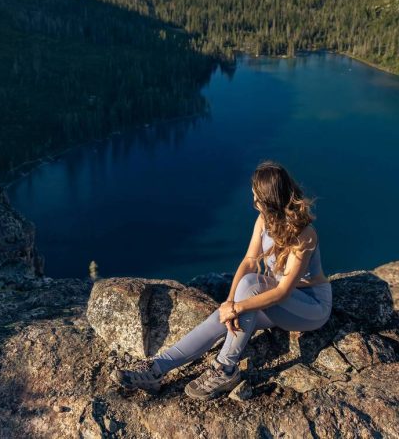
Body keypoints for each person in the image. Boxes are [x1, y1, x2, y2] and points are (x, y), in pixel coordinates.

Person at [111, 160, 332, 400]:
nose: (253, 200)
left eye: (256, 195)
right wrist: (229, 303)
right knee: (223, 315)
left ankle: (225, 368)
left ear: (269, 199)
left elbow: (283, 292)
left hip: (311, 307)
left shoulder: (304, 235)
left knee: (248, 288)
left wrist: (239, 305)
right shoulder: (263, 221)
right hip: (278, 303)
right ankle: (157, 369)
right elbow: (249, 261)